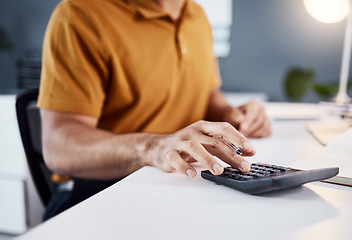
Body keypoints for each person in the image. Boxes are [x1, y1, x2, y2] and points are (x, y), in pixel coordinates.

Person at [38, 0, 272, 220]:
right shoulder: (79, 15)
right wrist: (152, 147)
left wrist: (229, 115)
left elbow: (208, 95)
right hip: (95, 196)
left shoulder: (196, 15)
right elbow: (57, 145)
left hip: (178, 187)